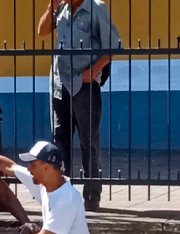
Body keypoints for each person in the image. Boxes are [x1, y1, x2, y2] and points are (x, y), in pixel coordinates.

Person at [38, 0, 120, 211]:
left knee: (88, 139)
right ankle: (62, 192)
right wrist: (51, 7)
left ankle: (92, 194)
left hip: (83, 85)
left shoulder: (96, 8)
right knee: (59, 139)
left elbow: (113, 45)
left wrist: (92, 72)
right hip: (58, 83)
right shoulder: (62, 9)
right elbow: (42, 31)